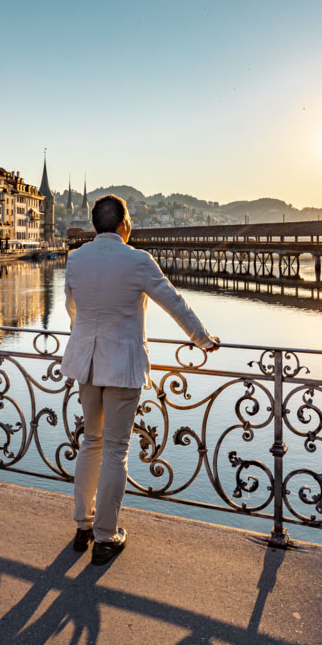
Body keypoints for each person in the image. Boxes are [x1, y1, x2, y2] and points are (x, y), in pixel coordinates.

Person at [62, 195, 219, 565]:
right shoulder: (137, 260)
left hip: (86, 364)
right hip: (122, 367)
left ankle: (83, 526)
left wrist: (84, 340)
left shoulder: (75, 259)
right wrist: (203, 339)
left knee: (91, 444)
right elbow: (173, 301)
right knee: (116, 450)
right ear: (124, 225)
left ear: (94, 224)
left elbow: (73, 309)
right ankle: (104, 537)